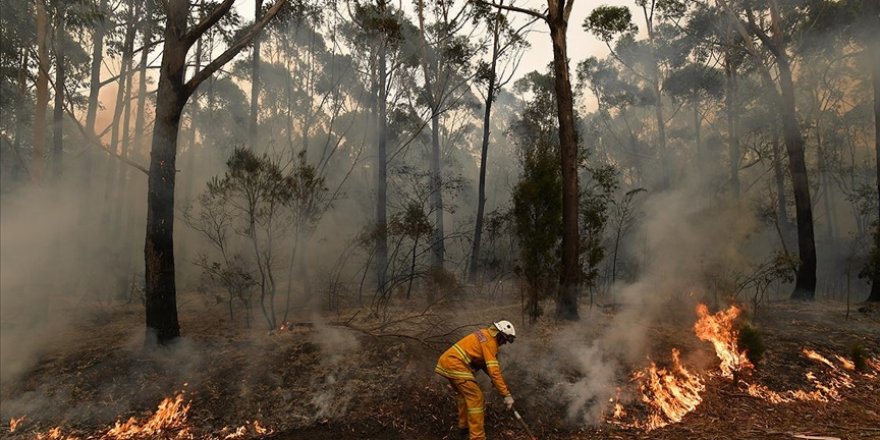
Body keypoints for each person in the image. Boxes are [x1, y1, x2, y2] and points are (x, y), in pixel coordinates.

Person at [434, 320, 516, 440]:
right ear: (499, 334)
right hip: (456, 365)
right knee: (476, 397)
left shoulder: (484, 334)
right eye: (504, 340)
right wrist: (506, 395)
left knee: (464, 395)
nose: (503, 343)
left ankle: (463, 428)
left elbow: (481, 362)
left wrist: (494, 381)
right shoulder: (490, 342)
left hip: (448, 361)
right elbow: (494, 371)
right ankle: (477, 437)